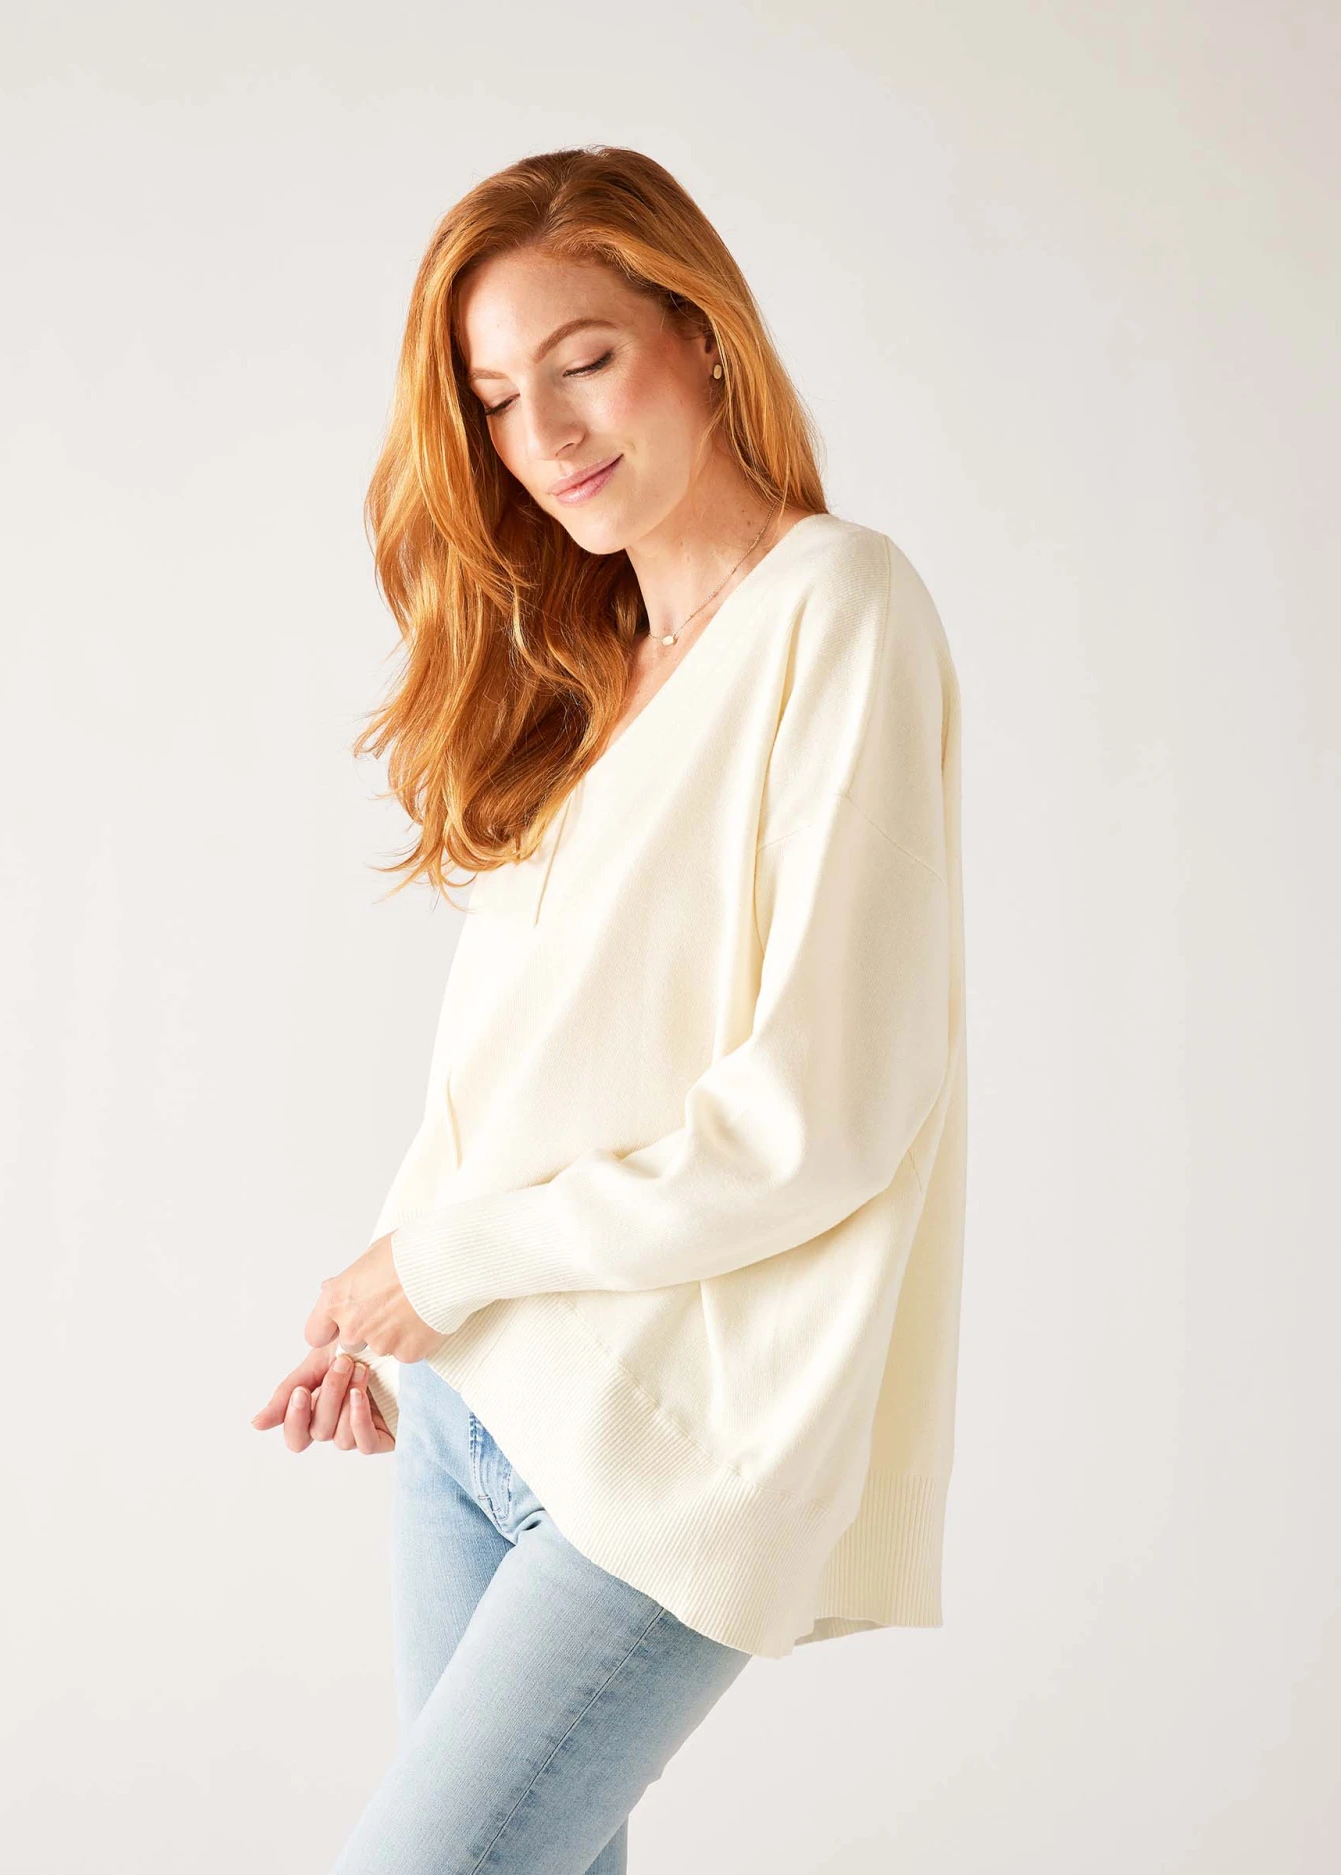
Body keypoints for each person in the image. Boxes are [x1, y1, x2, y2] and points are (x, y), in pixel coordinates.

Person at [249, 144, 968, 1875]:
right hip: (470, 1410)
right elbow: (519, 1076)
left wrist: (445, 1263)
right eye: (499, 399)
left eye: (585, 360)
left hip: (676, 1433)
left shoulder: (838, 606)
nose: (548, 432)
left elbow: (823, 1115)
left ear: (701, 336)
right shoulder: (596, 677)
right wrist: (381, 1300)